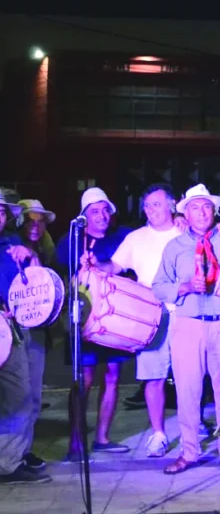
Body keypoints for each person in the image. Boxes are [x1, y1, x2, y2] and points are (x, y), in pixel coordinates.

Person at [152, 184, 220, 474]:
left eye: (206, 207)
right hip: (188, 325)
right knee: (187, 392)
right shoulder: (175, 246)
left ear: (214, 211)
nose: (201, 212)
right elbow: (158, 287)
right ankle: (190, 452)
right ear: (185, 213)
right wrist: (185, 287)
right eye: (195, 207)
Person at [89, 184, 183, 457]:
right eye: (147, 206)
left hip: (185, 313)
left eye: (156, 204)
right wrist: (95, 265)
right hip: (149, 317)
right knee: (153, 379)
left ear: (171, 205)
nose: (151, 210)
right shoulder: (135, 238)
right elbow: (114, 267)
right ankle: (158, 434)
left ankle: (195, 424)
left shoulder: (185, 233)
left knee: (190, 376)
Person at [56, 187, 133, 462]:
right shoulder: (71, 239)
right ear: (84, 216)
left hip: (116, 319)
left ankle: (102, 438)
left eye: (105, 210)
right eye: (95, 211)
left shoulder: (123, 237)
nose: (101, 215)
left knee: (112, 376)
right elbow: (63, 276)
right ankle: (76, 442)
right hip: (85, 321)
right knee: (84, 379)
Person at [0, 192, 50, 484]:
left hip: (14, 331)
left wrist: (30, 256)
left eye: (3, 213)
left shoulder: (13, 244)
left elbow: (37, 285)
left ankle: (9, 463)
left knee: (19, 397)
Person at [15, 199, 57, 470]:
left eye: (40, 221)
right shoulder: (9, 247)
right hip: (12, 329)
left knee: (32, 394)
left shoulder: (45, 249)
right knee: (14, 395)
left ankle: (23, 450)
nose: (36, 225)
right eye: (30, 220)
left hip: (35, 329)